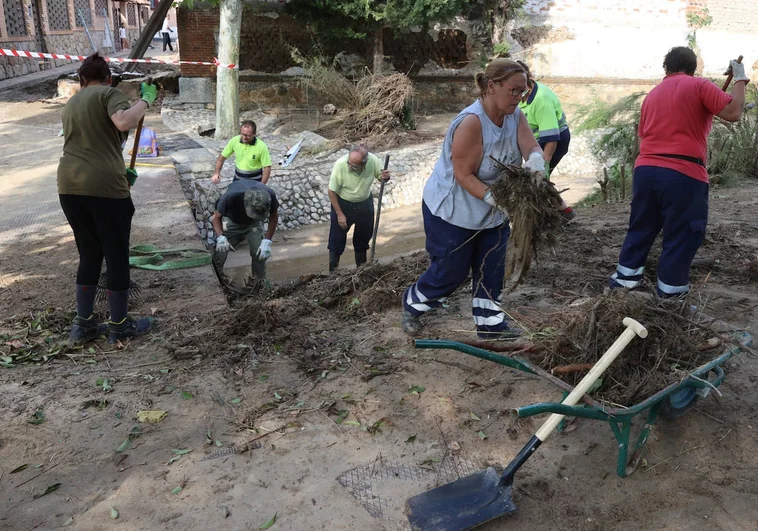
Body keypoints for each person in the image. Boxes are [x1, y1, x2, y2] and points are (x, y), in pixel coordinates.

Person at [401, 58, 545, 338]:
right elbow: (463, 174)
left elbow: (529, 145)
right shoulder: (471, 123)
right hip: (454, 210)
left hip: (493, 208)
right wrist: (495, 199)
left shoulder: (515, 115)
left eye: (524, 91)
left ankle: (490, 325)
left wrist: (536, 159)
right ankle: (412, 305)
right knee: (450, 271)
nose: (519, 97)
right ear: (492, 86)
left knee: (492, 266)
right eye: (514, 90)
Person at [611, 47, 748, 298]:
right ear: (693, 68)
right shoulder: (699, 85)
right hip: (682, 172)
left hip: (646, 170)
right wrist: (740, 78)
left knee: (641, 228)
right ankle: (671, 299)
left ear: (667, 68)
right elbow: (734, 113)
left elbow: (643, 141)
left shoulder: (652, 95)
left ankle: (623, 288)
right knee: (682, 235)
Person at [57, 52, 157, 344]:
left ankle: (84, 324)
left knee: (89, 253)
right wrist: (145, 101)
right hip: (104, 189)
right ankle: (118, 326)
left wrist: (120, 170)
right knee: (116, 256)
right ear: (108, 79)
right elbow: (123, 122)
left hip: (69, 187)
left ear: (80, 79)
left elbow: (99, 139)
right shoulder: (109, 93)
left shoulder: (70, 104)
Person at [327, 146, 390, 272]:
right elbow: (331, 191)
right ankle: (333, 273)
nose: (351, 167)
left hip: (364, 204)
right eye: (349, 164)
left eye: (355, 166)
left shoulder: (372, 160)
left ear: (364, 163)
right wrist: (339, 214)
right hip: (343, 205)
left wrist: (385, 177)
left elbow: (381, 177)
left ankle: (362, 271)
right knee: (336, 241)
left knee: (362, 241)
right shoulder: (340, 164)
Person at [210, 180, 279, 282]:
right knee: (221, 251)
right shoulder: (232, 196)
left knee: (259, 252)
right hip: (231, 222)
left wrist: (267, 241)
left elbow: (274, 216)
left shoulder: (269, 195)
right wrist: (221, 237)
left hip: (253, 224)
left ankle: (258, 281)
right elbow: (216, 217)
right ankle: (217, 279)